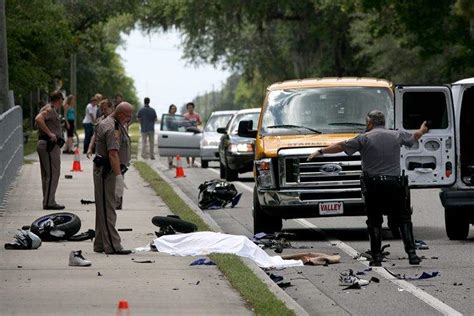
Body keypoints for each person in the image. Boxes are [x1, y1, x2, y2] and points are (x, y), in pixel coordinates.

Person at [307, 110, 429, 266]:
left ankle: (377, 258)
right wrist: (423, 130)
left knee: (374, 221)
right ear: (383, 122)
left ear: (370, 123)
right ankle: (412, 255)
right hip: (395, 184)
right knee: (404, 219)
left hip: (373, 186)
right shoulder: (397, 135)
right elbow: (415, 136)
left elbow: (340, 146)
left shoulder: (364, 138)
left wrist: (320, 151)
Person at [92, 102, 133, 255]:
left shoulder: (114, 123)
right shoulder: (112, 127)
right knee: (108, 209)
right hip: (107, 172)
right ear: (121, 114)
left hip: (107, 170)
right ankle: (113, 245)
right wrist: (118, 177)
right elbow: (113, 153)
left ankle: (100, 243)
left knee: (103, 208)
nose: (129, 119)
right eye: (128, 116)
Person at [35, 90, 66, 210]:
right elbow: (38, 119)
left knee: (47, 174)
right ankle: (49, 202)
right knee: (53, 174)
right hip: (49, 146)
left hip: (47, 146)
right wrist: (50, 133)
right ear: (59, 99)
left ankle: (48, 200)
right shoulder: (49, 109)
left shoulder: (48, 108)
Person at [183, 102, 202, 167]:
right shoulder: (185, 115)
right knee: (187, 148)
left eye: (191, 107)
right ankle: (188, 163)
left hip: (194, 133)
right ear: (187, 109)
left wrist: (196, 124)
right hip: (187, 133)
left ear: (193, 108)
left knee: (194, 147)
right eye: (189, 108)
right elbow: (182, 123)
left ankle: (193, 162)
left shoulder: (197, 115)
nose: (190, 109)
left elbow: (200, 122)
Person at [165, 104, 178, 168]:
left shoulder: (175, 116)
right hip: (170, 134)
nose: (174, 109)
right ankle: (170, 163)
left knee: (173, 149)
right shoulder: (168, 117)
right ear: (170, 109)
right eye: (173, 108)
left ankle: (171, 163)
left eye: (175, 108)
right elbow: (170, 125)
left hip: (175, 134)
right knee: (170, 149)